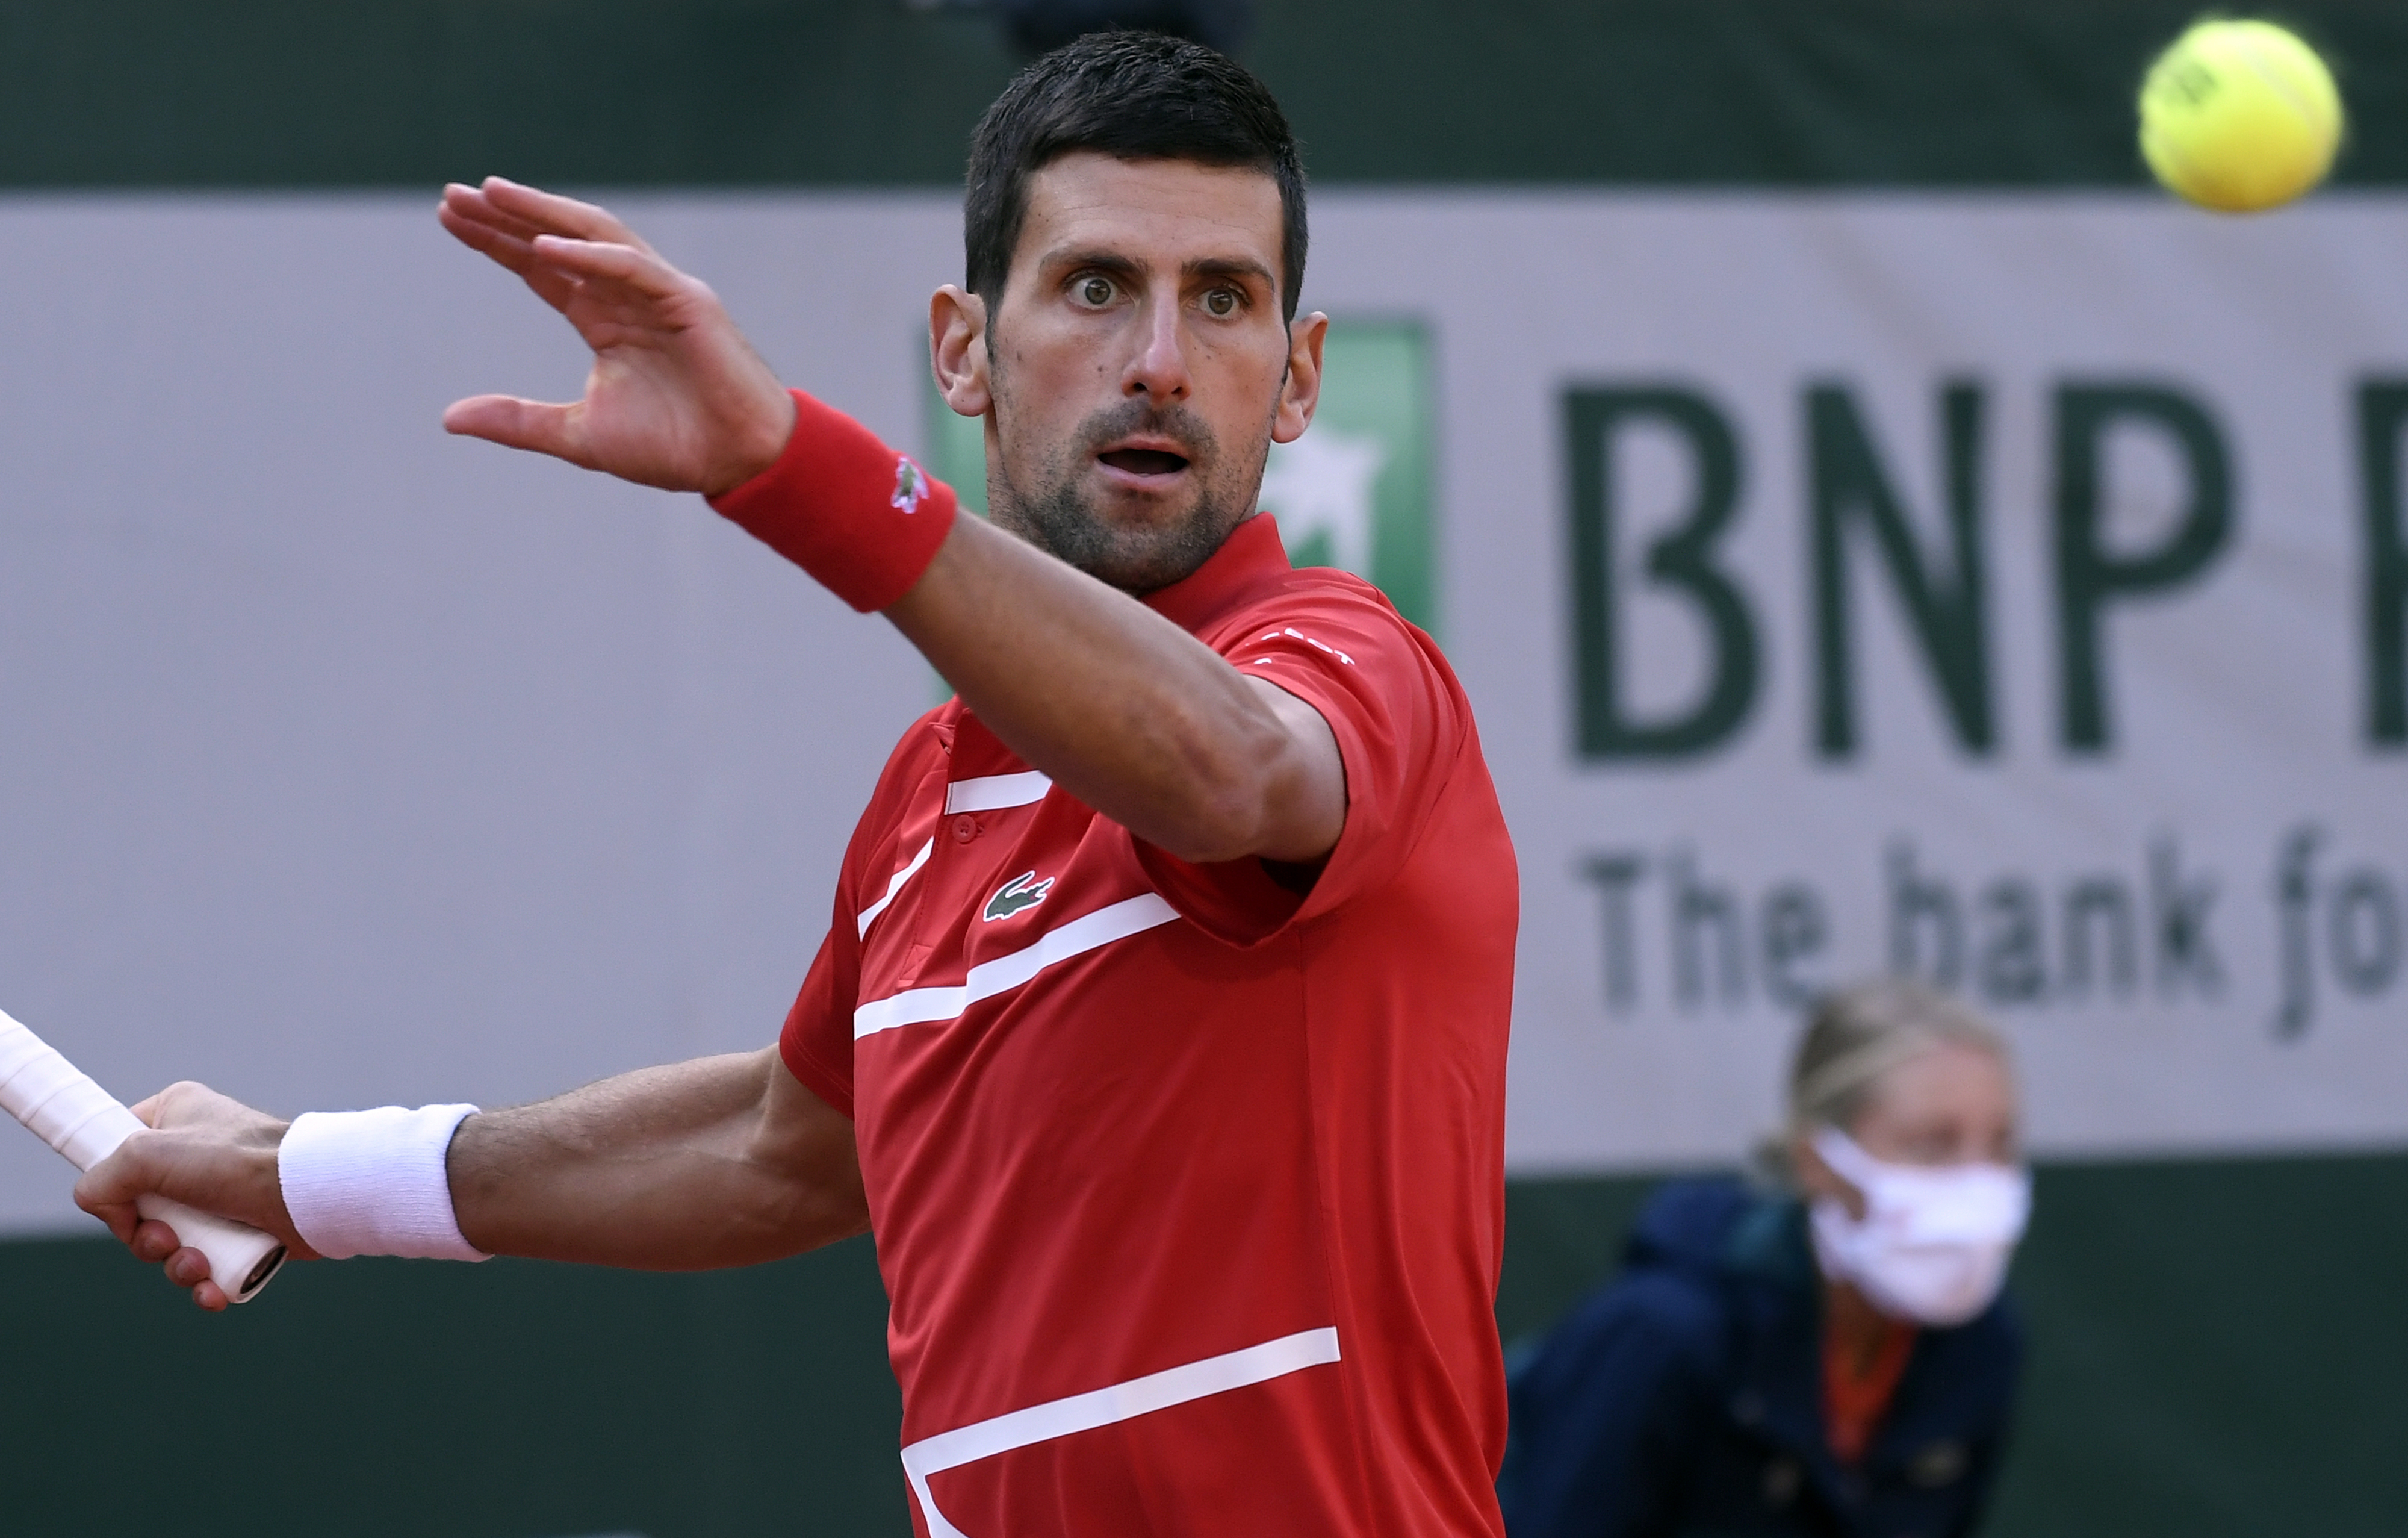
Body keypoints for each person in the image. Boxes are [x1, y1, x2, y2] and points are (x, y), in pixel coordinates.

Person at [72, 33, 1519, 1538]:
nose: (1158, 356)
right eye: (1095, 286)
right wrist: (304, 1172)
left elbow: (1223, 768)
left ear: (1296, 378)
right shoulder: (921, 800)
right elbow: (781, 1145)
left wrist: (791, 461)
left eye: (1221, 298)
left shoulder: (1350, 666)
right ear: (962, 348)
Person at [1501, 980, 2028, 1538]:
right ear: (1817, 1161)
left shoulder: (1983, 1345)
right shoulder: (1659, 1336)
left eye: (2001, 1145)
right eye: (1933, 1143)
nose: (1978, 1181)